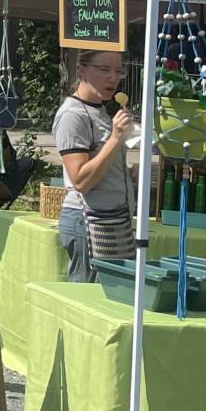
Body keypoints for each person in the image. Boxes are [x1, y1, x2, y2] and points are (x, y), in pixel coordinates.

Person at [53, 51, 134, 282]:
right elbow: (80, 180)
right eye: (104, 70)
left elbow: (99, 165)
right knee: (85, 300)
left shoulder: (99, 110)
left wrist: (125, 175)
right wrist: (115, 138)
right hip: (88, 222)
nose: (113, 78)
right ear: (81, 71)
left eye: (118, 71)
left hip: (113, 221)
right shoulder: (72, 115)